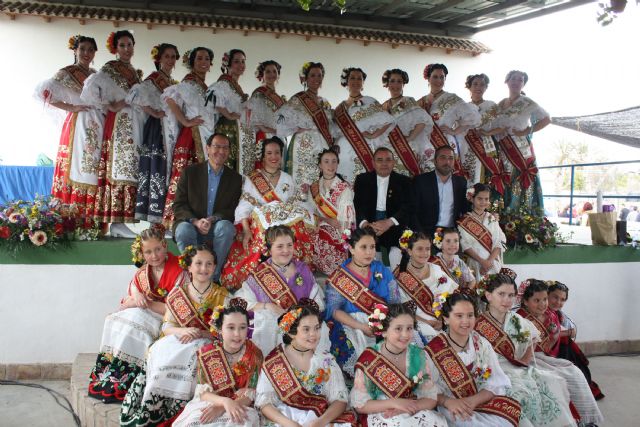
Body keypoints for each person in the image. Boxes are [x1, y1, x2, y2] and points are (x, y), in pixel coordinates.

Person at [121, 245, 230, 426]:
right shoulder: (178, 293)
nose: (203, 268)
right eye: (198, 263)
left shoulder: (223, 296)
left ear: (214, 267)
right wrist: (182, 331)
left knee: (196, 356)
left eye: (209, 264)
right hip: (179, 337)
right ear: (189, 267)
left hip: (209, 342)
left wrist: (203, 333)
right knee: (164, 354)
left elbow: (228, 330)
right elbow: (166, 327)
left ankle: (184, 407)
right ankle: (158, 408)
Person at [88, 226, 187, 403]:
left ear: (165, 246)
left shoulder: (179, 270)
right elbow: (132, 291)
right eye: (148, 252)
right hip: (145, 311)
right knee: (114, 320)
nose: (154, 255)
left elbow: (175, 310)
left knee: (133, 325)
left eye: (157, 249)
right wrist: (136, 296)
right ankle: (110, 376)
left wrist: (145, 302)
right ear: (142, 252)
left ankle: (130, 381)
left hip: (166, 319)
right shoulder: (144, 271)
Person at [475, 274, 577, 427]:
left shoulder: (518, 320)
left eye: (510, 295)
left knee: (553, 382)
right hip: (494, 372)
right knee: (518, 392)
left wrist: (524, 360)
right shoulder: (478, 324)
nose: (506, 300)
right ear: (488, 295)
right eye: (501, 294)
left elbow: (532, 341)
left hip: (519, 367)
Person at [220, 137, 315, 290]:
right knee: (260, 239)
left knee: (298, 231)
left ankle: (293, 275)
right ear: (263, 157)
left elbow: (295, 205)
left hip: (284, 225)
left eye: (277, 153)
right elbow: (245, 205)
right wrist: (245, 230)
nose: (273, 157)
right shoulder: (252, 179)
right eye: (269, 153)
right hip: (260, 225)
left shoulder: (287, 179)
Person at [81, 30, 144, 237]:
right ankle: (116, 221)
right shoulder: (109, 69)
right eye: (123, 45)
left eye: (130, 45)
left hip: (133, 123)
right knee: (120, 168)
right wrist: (111, 105)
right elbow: (92, 91)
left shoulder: (134, 72)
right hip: (119, 124)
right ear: (115, 49)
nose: (127, 49)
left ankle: (123, 221)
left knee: (131, 168)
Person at [424, 293, 522, 427]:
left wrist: (473, 401)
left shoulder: (481, 344)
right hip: (451, 407)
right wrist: (448, 402)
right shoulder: (433, 350)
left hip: (479, 400)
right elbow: (424, 390)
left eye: (470, 315)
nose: (466, 321)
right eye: (459, 316)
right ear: (446, 319)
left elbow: (496, 381)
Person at [35, 35, 102, 227]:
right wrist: (71, 107)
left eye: (90, 49)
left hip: (96, 124)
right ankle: (69, 220)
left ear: (95, 53)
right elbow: (44, 93)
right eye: (82, 49)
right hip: (77, 123)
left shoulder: (96, 75)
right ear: (75, 51)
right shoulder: (66, 73)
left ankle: (91, 223)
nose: (86, 53)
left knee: (92, 168)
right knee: (75, 167)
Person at [517, 279, 604, 425]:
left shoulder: (551, 316)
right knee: (555, 380)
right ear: (525, 301)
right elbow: (517, 349)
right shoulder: (519, 318)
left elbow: (549, 349)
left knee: (574, 372)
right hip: (525, 358)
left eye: (544, 299)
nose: (542, 304)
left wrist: (554, 336)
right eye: (536, 300)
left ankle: (585, 419)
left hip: (545, 357)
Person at [256, 302, 357, 427]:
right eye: (306, 329)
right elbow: (264, 404)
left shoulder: (326, 360)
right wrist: (290, 424)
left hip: (320, 418)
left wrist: (320, 422)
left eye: (317, 328)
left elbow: (340, 399)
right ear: (292, 332)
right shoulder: (275, 360)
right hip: (285, 420)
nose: (313, 334)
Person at [234, 225, 329, 356]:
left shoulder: (303, 270)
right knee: (270, 324)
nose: (286, 250)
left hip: (302, 321)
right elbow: (245, 303)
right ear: (269, 249)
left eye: (289, 245)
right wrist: (269, 306)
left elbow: (317, 300)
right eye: (280, 246)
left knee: (320, 328)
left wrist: (303, 315)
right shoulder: (260, 273)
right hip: (271, 322)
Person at [350, 303, 448, 427]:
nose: (405, 334)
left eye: (409, 328)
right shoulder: (369, 359)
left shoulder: (418, 355)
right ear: (384, 331)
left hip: (411, 409)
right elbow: (361, 405)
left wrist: (408, 407)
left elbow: (430, 398)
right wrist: (395, 403)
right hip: (382, 412)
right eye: (398, 329)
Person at [172, 298, 263, 427]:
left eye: (242, 327)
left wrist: (222, 408)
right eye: (231, 327)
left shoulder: (254, 353)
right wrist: (224, 402)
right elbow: (203, 392)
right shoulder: (207, 353)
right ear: (220, 329)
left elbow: (250, 394)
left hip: (241, 405)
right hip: (210, 402)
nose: (237, 334)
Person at [325, 227, 401, 376]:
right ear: (351, 249)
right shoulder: (340, 276)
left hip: (382, 321)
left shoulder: (382, 270)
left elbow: (394, 302)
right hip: (352, 324)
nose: (369, 252)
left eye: (372, 247)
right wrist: (361, 326)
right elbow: (334, 310)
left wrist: (385, 324)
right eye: (363, 247)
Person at [172, 133, 241, 282]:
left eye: (225, 148)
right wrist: (196, 221)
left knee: (226, 227)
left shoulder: (235, 178)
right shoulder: (190, 172)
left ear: (229, 152)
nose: (221, 151)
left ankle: (213, 278)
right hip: (192, 224)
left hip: (215, 226)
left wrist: (213, 219)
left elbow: (232, 209)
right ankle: (193, 276)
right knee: (183, 230)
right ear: (207, 148)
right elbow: (178, 205)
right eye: (216, 146)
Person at [162, 47, 216, 228]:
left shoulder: (204, 87)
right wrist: (185, 121)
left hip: (205, 137)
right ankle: (175, 222)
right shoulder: (189, 82)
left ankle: (197, 222)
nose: (203, 61)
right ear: (192, 62)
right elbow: (170, 98)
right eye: (199, 58)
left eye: (207, 58)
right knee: (185, 179)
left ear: (210, 64)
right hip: (192, 136)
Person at [129, 43, 179, 223]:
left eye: (173, 57)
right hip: (157, 130)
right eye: (167, 56)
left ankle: (164, 219)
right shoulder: (154, 79)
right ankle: (155, 218)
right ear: (159, 59)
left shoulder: (173, 82)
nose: (170, 60)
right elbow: (136, 96)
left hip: (170, 129)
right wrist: (155, 112)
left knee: (167, 170)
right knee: (157, 169)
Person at [495, 70, 551, 212]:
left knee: (519, 179)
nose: (516, 82)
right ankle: (504, 213)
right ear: (507, 81)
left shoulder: (527, 102)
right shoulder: (500, 104)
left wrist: (527, 131)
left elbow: (546, 119)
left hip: (521, 149)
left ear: (523, 84)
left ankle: (521, 216)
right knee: (505, 177)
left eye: (520, 80)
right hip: (503, 148)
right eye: (513, 79)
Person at [278, 61, 336, 188]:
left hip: (322, 144)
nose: (317, 79)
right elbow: (280, 120)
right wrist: (295, 129)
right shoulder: (298, 99)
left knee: (320, 177)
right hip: (303, 144)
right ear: (306, 78)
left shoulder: (325, 102)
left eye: (320, 75)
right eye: (313, 75)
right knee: (302, 178)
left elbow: (330, 126)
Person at [417, 63, 481, 180]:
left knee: (446, 177)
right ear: (428, 78)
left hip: (445, 142)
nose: (439, 80)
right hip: (425, 144)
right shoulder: (421, 101)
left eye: (442, 77)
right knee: (427, 178)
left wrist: (453, 131)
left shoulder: (452, 99)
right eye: (435, 76)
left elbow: (471, 118)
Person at [354, 147, 413, 270]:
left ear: (394, 162)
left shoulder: (405, 181)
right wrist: (365, 224)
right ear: (373, 163)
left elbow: (407, 206)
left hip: (394, 224)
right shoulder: (362, 180)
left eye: (388, 160)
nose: (384, 163)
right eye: (380, 160)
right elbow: (357, 205)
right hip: (369, 224)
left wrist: (389, 222)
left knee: (396, 256)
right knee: (366, 252)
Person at [334, 67, 395, 183]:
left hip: (363, 149)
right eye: (352, 78)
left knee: (363, 183)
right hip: (342, 153)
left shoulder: (369, 101)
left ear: (363, 83)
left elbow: (387, 121)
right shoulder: (340, 108)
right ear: (346, 81)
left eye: (359, 79)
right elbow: (334, 131)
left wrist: (373, 135)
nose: (356, 81)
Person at [395, 230, 457, 342]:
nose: (424, 253)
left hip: (441, 319)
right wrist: (428, 322)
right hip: (415, 321)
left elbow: (452, 296)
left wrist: (442, 321)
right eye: (419, 249)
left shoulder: (436, 269)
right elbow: (403, 309)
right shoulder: (401, 276)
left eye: (427, 249)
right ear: (409, 251)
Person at [548, 281, 605, 400]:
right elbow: (545, 336)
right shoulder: (542, 312)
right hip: (549, 350)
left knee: (580, 371)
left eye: (563, 299)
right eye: (555, 297)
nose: (558, 302)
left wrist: (568, 331)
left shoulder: (559, 314)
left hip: (561, 348)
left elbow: (571, 326)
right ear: (547, 295)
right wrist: (567, 333)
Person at [307, 148, 355, 275]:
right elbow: (310, 212)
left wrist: (343, 234)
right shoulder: (314, 187)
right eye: (326, 161)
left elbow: (346, 219)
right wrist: (323, 220)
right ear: (320, 165)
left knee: (326, 234)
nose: (330, 165)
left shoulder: (344, 188)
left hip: (339, 229)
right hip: (318, 225)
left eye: (334, 161)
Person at [207, 49, 253, 175]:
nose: (241, 65)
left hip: (237, 130)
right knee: (226, 164)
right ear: (228, 64)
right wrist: (228, 114)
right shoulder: (224, 82)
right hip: (227, 129)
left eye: (243, 62)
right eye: (236, 61)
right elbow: (213, 95)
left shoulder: (235, 85)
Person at [381, 68, 433, 175]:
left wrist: (409, 138)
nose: (395, 84)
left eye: (399, 81)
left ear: (403, 84)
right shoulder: (383, 106)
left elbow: (422, 121)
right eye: (392, 81)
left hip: (408, 148)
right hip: (390, 149)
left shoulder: (408, 101)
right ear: (387, 84)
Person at [464, 73, 508, 195]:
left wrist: (488, 132)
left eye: (482, 84)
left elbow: (503, 126)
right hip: (467, 147)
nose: (478, 87)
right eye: (475, 84)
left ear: (486, 87)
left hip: (487, 147)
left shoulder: (492, 106)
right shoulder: (464, 107)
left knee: (486, 178)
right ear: (469, 86)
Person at [413, 145, 470, 237]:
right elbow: (413, 210)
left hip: (452, 233)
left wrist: (487, 216)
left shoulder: (461, 182)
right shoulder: (421, 181)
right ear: (435, 161)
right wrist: (420, 234)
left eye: (451, 158)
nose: (447, 162)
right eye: (443, 158)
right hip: (426, 233)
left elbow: (466, 208)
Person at [459, 183, 506, 280]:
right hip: (475, 264)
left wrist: (489, 261)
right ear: (471, 199)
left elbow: (500, 241)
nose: (483, 202)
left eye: (486, 199)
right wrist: (482, 262)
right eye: (480, 199)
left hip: (493, 264)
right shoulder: (464, 221)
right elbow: (465, 244)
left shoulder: (492, 218)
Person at [248, 60, 286, 169]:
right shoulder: (259, 93)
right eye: (268, 72)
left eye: (274, 71)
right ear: (262, 75)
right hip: (265, 136)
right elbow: (257, 121)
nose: (271, 74)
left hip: (278, 136)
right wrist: (274, 131)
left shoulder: (279, 97)